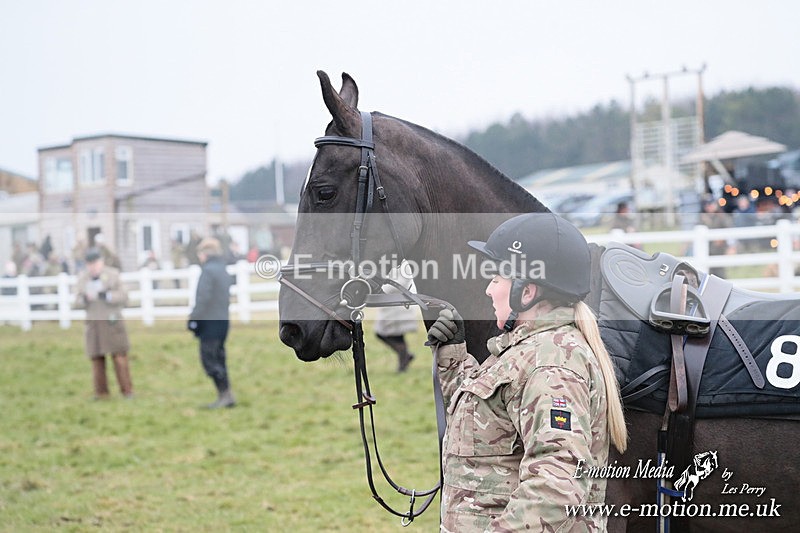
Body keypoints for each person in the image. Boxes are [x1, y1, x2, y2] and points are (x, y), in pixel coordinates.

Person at [426, 213, 627, 532]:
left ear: (527, 291)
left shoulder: (552, 364)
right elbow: (487, 433)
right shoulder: (528, 349)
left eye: (496, 278)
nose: (489, 290)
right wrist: (453, 355)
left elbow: (556, 488)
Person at [74, 248, 133, 399]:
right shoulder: (83, 278)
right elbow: (77, 300)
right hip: (94, 323)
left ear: (101, 262)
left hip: (112, 321)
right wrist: (85, 299)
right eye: (90, 264)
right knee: (97, 360)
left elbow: (124, 296)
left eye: (95, 263)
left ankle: (127, 391)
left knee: (119, 357)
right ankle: (101, 393)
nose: (93, 267)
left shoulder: (113, 275)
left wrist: (107, 295)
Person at [187, 237, 235, 409]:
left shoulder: (208, 271)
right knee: (220, 357)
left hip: (210, 324)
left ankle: (224, 395)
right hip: (223, 321)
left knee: (210, 359)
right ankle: (227, 393)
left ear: (205, 254)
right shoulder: (222, 269)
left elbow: (202, 298)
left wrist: (193, 319)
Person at [374, 264, 419, 372]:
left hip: (399, 306)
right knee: (395, 336)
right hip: (391, 306)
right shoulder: (391, 260)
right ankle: (405, 358)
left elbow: (400, 283)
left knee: (387, 334)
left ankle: (404, 359)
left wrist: (380, 289)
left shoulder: (404, 263)